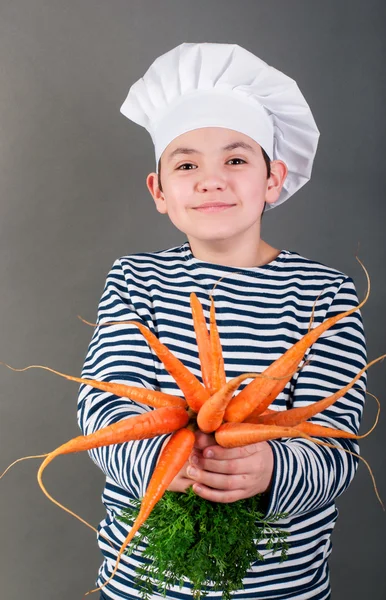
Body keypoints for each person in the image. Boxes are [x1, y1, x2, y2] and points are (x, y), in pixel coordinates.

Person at [77, 43, 367, 600]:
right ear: (160, 191)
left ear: (273, 179)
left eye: (236, 160)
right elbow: (103, 413)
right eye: (187, 165)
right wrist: (164, 458)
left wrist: (271, 468)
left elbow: (337, 446)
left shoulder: (325, 293)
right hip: (143, 585)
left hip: (279, 588)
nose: (212, 180)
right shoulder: (136, 281)